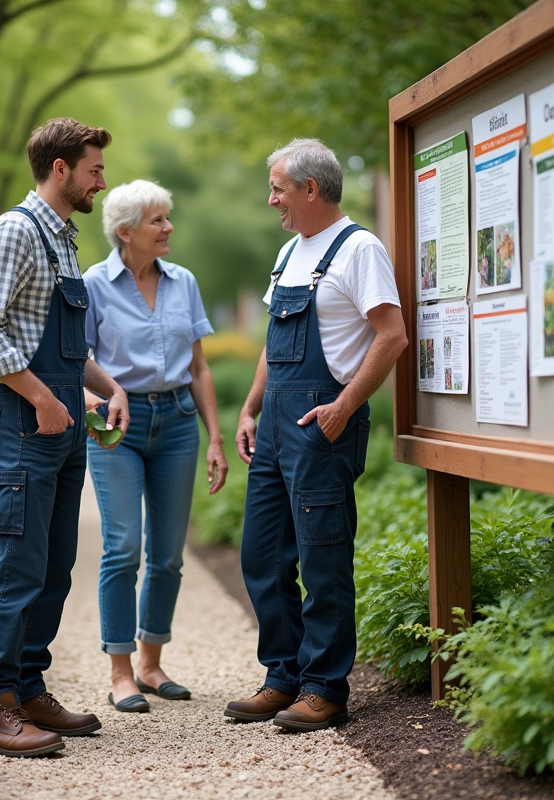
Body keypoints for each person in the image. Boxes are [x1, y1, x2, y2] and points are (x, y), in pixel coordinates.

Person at [0, 117, 130, 758]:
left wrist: (105, 388)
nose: (100, 181)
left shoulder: (63, 241)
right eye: (94, 169)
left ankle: (28, 689)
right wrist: (42, 398)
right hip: (21, 428)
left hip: (59, 428)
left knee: (54, 567)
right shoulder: (14, 232)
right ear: (60, 169)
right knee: (15, 571)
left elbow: (61, 348)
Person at [225, 138, 408, 732]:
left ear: (310, 188)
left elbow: (391, 336)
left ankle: (325, 686)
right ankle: (283, 676)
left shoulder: (360, 250)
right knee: (261, 553)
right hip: (275, 425)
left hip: (320, 428)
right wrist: (251, 407)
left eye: (278, 186)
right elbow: (272, 349)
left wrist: (344, 407)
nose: (271, 197)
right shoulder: (289, 252)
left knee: (322, 555)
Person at [82, 180, 229, 713]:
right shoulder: (94, 284)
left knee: (167, 557)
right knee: (123, 547)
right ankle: (120, 672)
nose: (169, 228)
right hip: (115, 421)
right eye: (158, 221)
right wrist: (97, 406)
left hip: (177, 421)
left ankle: (150, 663)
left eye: (168, 218)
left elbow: (199, 367)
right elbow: (78, 360)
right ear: (126, 232)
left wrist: (215, 436)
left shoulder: (182, 282)